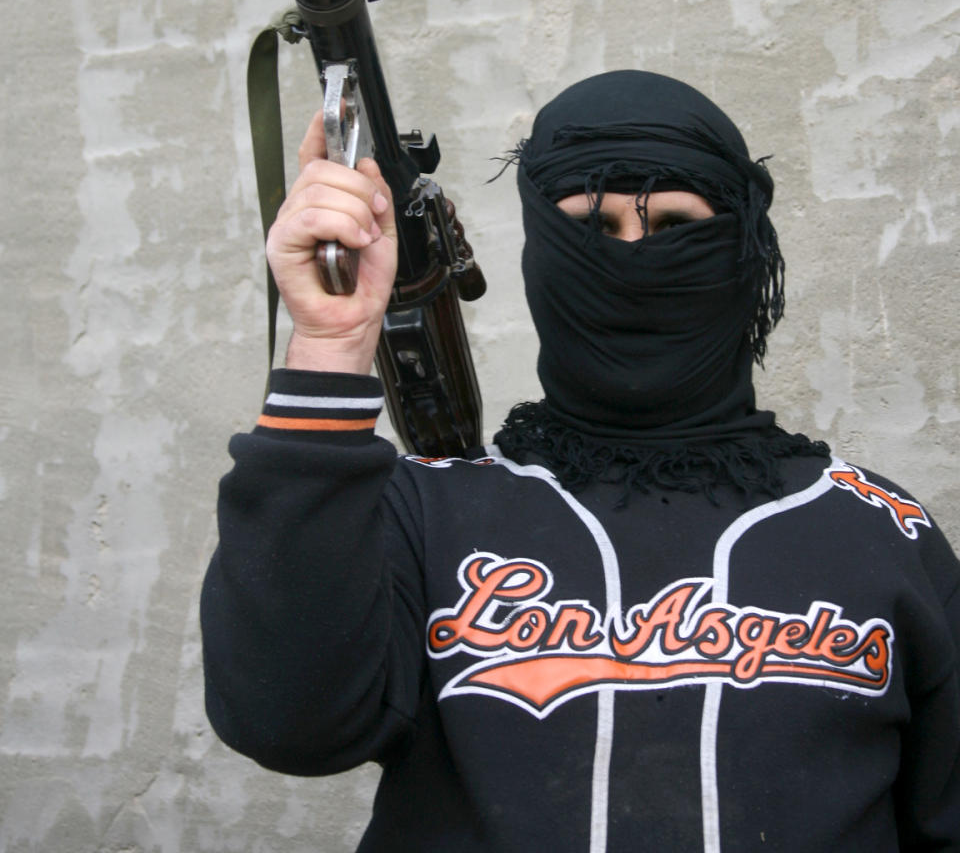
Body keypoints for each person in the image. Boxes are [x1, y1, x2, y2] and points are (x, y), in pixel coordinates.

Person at [201, 70, 960, 851]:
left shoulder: (878, 532)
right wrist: (329, 346)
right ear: (540, 250)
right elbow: (286, 721)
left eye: (671, 226)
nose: (634, 261)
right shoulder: (424, 512)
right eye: (593, 230)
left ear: (740, 249)